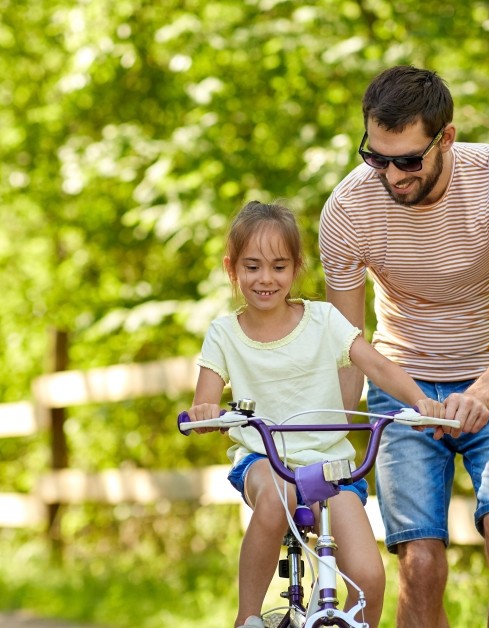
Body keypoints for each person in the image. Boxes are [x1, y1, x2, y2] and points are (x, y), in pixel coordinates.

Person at [320, 65, 489, 627]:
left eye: (408, 160)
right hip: (402, 391)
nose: (390, 175)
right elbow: (347, 346)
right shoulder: (347, 210)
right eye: (376, 157)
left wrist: (483, 393)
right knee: (420, 564)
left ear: (446, 138)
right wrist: (330, 441)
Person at [187, 200, 445, 628]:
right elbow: (206, 400)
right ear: (231, 269)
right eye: (252, 267)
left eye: (278, 266)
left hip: (331, 466)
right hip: (264, 461)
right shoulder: (224, 334)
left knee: (368, 578)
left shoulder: (324, 320)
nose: (265, 279)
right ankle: (246, 615)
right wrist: (206, 412)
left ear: (296, 268)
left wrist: (422, 402)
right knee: (277, 496)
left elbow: (377, 364)